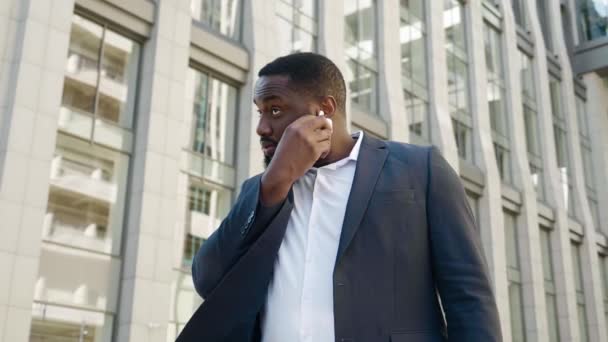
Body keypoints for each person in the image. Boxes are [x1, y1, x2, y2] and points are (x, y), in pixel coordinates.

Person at [176, 53, 502, 341]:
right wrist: (274, 185)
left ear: (325, 111)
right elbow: (207, 279)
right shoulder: (261, 191)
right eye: (260, 112)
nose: (262, 127)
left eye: (275, 110)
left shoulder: (421, 169)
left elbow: (468, 296)